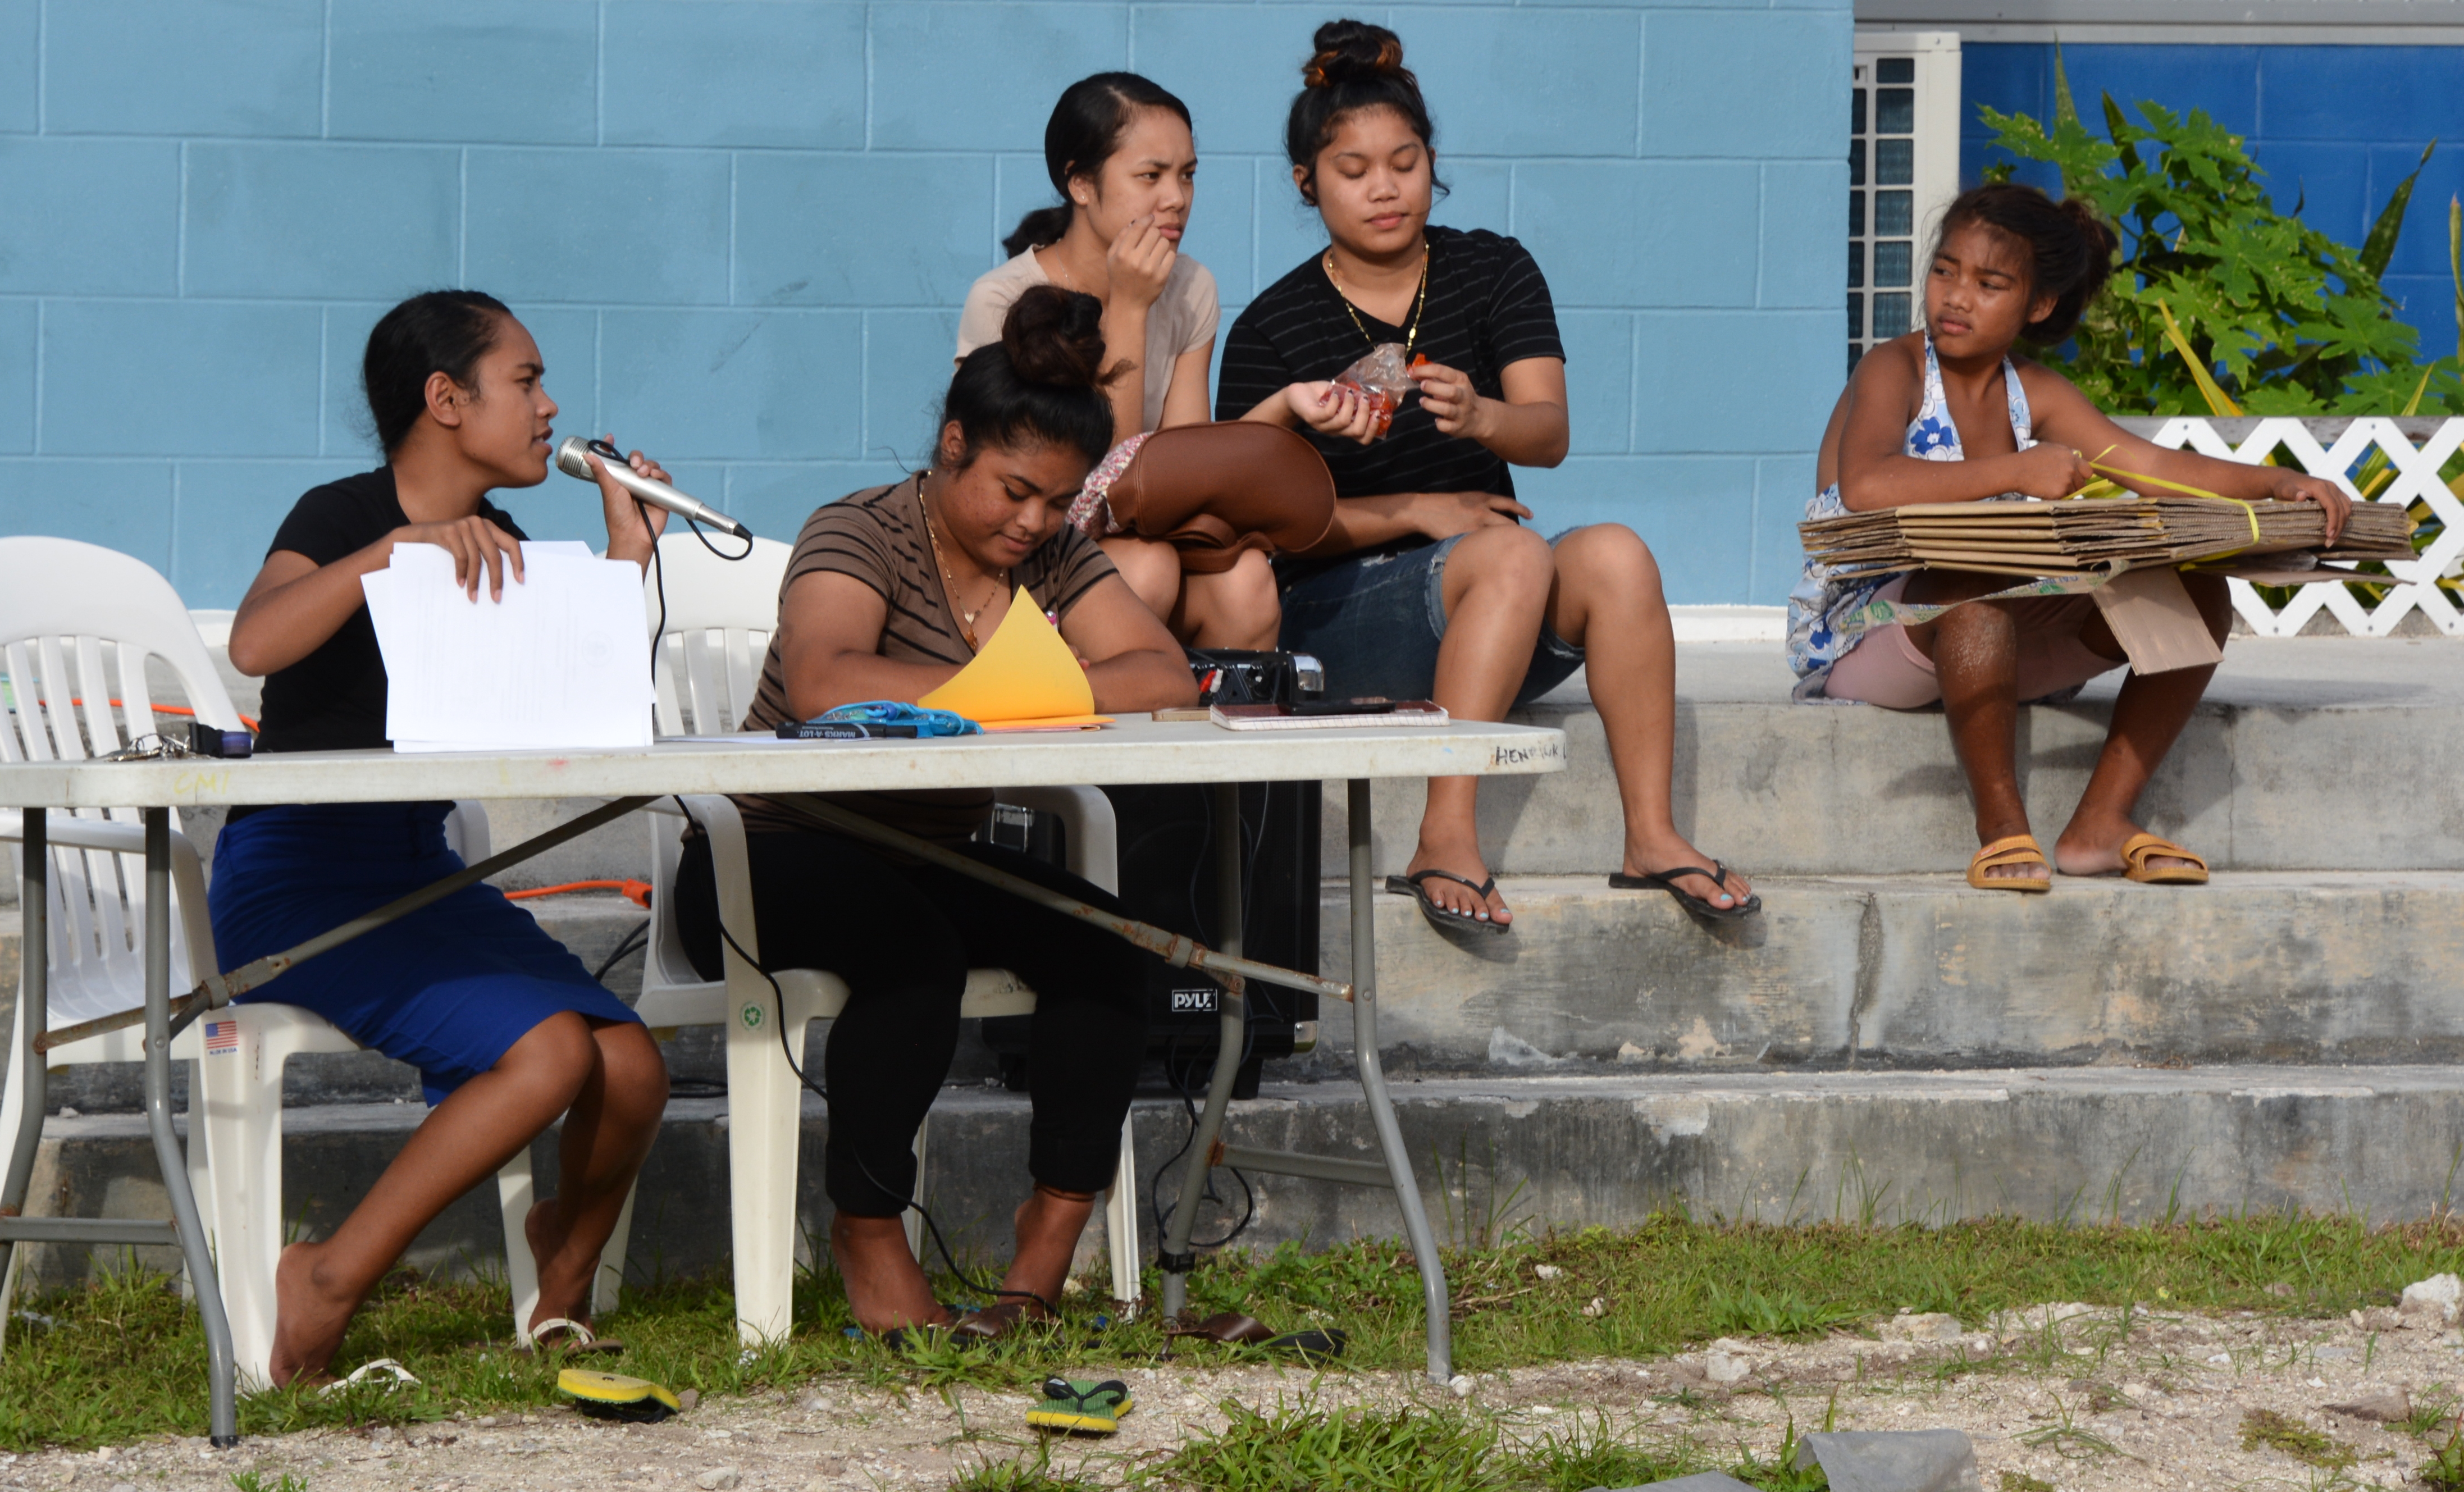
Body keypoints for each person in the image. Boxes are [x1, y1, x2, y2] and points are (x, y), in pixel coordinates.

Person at [674, 286, 1197, 1337]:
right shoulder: (860, 530)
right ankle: (869, 1231)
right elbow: (825, 682)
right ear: (954, 444)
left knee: (1106, 947)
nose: (1032, 521)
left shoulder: (1052, 555)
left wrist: (1024, 694)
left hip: (922, 856)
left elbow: (1165, 674)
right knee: (914, 955)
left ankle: (1047, 1239)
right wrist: (1005, 696)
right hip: (768, 853)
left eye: (1056, 500)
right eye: (1014, 490)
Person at [213, 290, 674, 1383]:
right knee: (552, 1051)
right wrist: (395, 552)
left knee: (631, 1066)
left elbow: (580, 716)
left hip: (421, 873)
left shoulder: (505, 543)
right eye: (527, 380)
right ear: (446, 398)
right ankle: (325, 1277)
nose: (549, 406)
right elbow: (255, 642)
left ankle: (562, 1278)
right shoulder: (342, 513)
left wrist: (628, 556)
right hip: (298, 878)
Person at [1216, 19, 1756, 932]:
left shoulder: (1490, 267)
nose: (1385, 187)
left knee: (1616, 553)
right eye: (1354, 170)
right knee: (1508, 551)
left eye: (1405, 161)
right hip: (1338, 619)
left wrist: (1482, 416)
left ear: (1431, 161)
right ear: (1308, 181)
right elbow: (1252, 524)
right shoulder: (1274, 325)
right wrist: (1419, 510)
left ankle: (1652, 835)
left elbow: (1547, 433)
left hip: (1488, 601)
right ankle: (1445, 833)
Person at [1788, 182, 2349, 889]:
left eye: (1989, 283)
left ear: (2038, 304)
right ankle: (2001, 829)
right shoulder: (1893, 367)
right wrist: (2015, 470)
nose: (1956, 297)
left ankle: (2099, 824)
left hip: (1989, 642)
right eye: (1945, 270)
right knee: (1971, 586)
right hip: (1868, 635)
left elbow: (2151, 467)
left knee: (2197, 597)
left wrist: (2275, 482)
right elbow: (1867, 483)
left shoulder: (2034, 392)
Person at [958, 73, 1279, 649]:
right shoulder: (1003, 299)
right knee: (1144, 567)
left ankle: (1202, 708)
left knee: (1246, 580)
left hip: (1143, 537)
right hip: (1031, 554)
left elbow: (1179, 467)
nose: (1176, 198)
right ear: (1081, 183)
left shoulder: (1192, 287)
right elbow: (1097, 482)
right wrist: (1129, 308)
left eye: (1187, 175)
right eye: (1150, 176)